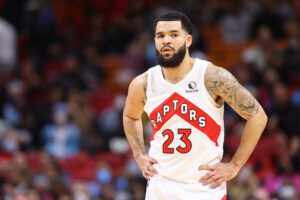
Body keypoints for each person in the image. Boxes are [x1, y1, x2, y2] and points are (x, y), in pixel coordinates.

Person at [123, 10, 267, 200]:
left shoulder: (212, 77)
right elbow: (130, 116)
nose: (166, 40)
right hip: (161, 186)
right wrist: (139, 154)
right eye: (160, 36)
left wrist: (234, 166)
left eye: (174, 35)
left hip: (203, 187)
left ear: (188, 40)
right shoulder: (143, 83)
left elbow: (258, 116)